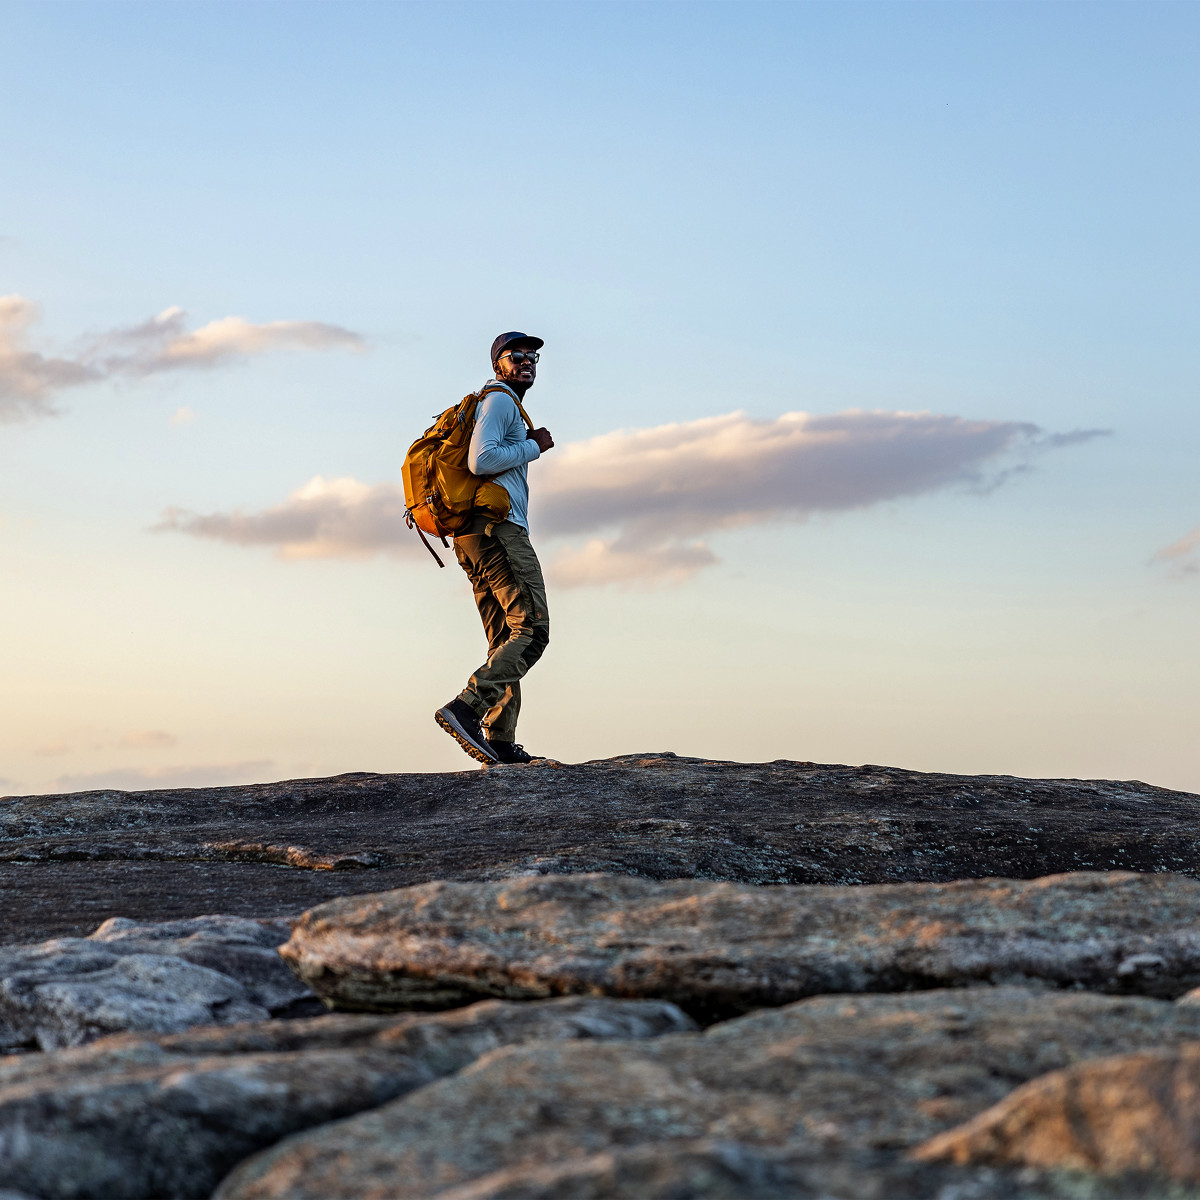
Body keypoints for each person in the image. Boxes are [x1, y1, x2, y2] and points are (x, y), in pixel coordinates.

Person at [435, 332, 555, 765]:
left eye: (533, 356)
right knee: (533, 630)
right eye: (516, 355)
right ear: (497, 364)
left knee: (506, 636)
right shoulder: (501, 400)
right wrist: (533, 446)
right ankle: (468, 707)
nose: (527, 362)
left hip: (472, 537)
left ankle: (500, 739)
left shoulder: (500, 402)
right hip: (498, 531)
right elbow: (481, 460)